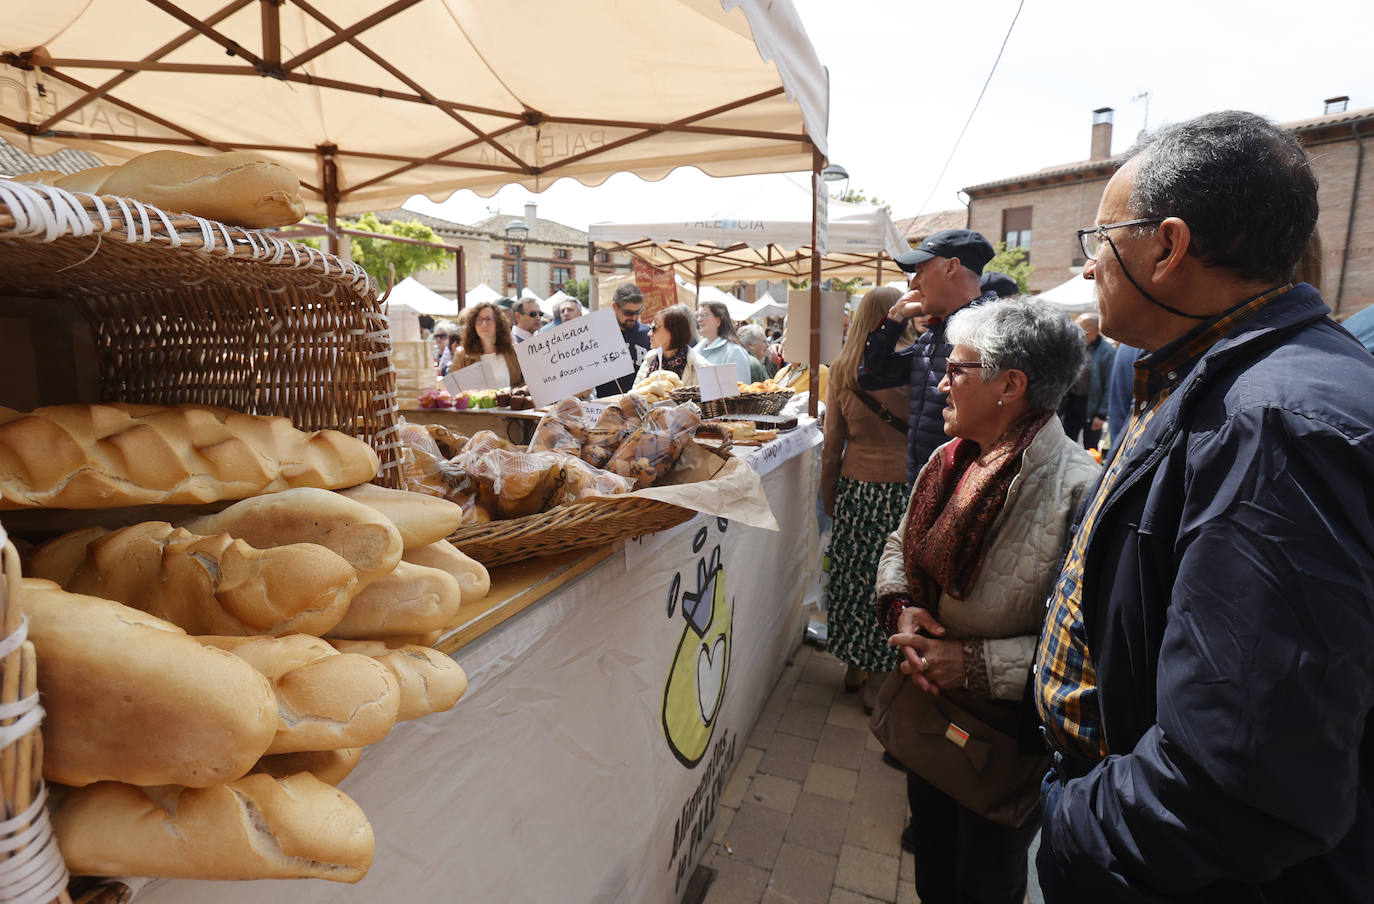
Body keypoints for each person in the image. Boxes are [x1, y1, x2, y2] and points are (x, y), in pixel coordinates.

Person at [1034, 111, 1374, 903]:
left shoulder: (1274, 425)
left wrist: (1071, 823)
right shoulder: (1215, 376)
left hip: (1154, 866)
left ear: (1168, 245)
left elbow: (1242, 778)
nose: (1088, 270)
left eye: (1099, 240)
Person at [877, 298, 1099, 904]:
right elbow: (900, 543)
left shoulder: (1080, 488)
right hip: (933, 720)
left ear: (1011, 385)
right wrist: (902, 607)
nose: (941, 383)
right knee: (934, 875)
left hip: (1003, 739)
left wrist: (971, 664)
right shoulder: (950, 458)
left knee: (984, 884)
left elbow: (1086, 653)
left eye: (958, 370)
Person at [819, 287, 910, 704]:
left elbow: (831, 445)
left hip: (856, 487)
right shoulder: (913, 365)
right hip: (902, 491)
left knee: (853, 580)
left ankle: (855, 667)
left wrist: (829, 495)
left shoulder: (841, 369)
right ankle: (881, 677)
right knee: (890, 583)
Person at [859, 228, 999, 487]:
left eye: (920, 270)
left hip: (963, 495)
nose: (913, 283)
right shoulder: (931, 338)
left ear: (951, 267)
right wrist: (894, 319)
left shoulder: (996, 336)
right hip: (924, 487)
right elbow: (871, 376)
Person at [1057, 313, 1115, 449]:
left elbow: (1110, 386)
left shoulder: (1108, 352)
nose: (1076, 330)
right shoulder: (1073, 346)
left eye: (1081, 327)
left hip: (1092, 406)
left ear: (1093, 329)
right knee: (1066, 444)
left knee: (1091, 448)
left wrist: (1102, 415)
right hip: (1071, 403)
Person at [596, 283, 652, 397]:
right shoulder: (599, 334)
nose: (634, 317)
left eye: (638, 312)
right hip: (605, 405)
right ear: (614, 307)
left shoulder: (649, 334)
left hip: (640, 405)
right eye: (628, 313)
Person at [451, 300, 524, 388]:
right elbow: (453, 389)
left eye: (488, 319)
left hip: (508, 402)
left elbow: (523, 384)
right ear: (473, 325)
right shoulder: (462, 354)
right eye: (479, 320)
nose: (484, 324)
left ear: (498, 323)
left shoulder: (513, 351)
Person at [636, 304, 707, 385]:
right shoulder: (650, 359)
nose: (649, 333)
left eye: (654, 328)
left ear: (673, 332)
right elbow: (635, 393)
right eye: (650, 328)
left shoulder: (700, 367)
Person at [693, 301, 753, 382]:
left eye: (704, 315)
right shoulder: (695, 351)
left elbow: (740, 389)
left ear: (718, 321)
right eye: (698, 316)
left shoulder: (735, 352)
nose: (699, 320)